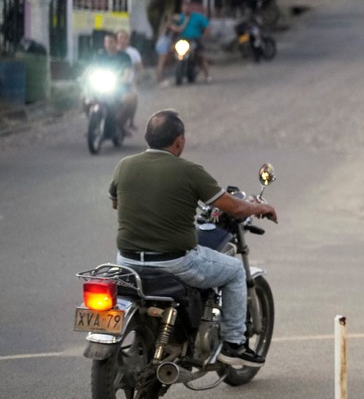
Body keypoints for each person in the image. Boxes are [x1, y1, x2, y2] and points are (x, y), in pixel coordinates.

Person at [109, 109, 278, 367]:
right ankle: (234, 345)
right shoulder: (188, 171)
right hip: (173, 262)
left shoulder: (124, 165)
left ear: (146, 136)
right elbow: (235, 207)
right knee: (233, 271)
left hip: (128, 261)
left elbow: (117, 203)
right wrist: (261, 207)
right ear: (179, 140)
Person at [93, 33, 139, 133]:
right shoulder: (100, 55)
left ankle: (120, 123)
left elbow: (127, 71)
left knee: (130, 99)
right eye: (106, 42)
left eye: (111, 42)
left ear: (116, 43)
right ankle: (93, 124)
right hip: (100, 85)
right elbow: (91, 69)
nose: (108, 45)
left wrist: (124, 78)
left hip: (119, 87)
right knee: (84, 98)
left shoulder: (124, 56)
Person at [168, 1, 211, 82]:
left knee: (201, 56)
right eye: (184, 7)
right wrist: (171, 23)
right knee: (173, 51)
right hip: (183, 39)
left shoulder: (198, 17)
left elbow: (207, 27)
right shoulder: (180, 17)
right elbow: (172, 24)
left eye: (187, 7)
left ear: (190, 8)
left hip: (195, 39)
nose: (185, 9)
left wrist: (203, 37)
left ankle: (207, 75)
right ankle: (174, 69)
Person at [115, 30, 143, 128]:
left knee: (133, 98)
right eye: (120, 38)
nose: (122, 40)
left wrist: (135, 81)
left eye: (124, 38)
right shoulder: (112, 51)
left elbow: (140, 70)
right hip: (113, 82)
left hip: (128, 83)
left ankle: (131, 121)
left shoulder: (133, 53)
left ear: (128, 40)